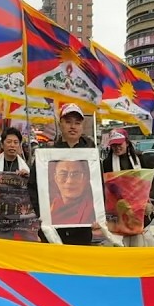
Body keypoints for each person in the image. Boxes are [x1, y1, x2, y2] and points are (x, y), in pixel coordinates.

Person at [37, 103, 97, 245]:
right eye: (68, 122)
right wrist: (42, 214)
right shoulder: (46, 156)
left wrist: (97, 215)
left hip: (81, 231)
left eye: (77, 123)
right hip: (52, 230)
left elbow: (98, 187)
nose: (73, 126)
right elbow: (34, 187)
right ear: (60, 124)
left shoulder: (91, 157)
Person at [101, 130, 153, 247]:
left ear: (127, 143)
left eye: (119, 144)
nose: (117, 147)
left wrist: (147, 201)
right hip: (117, 208)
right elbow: (107, 186)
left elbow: (146, 182)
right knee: (120, 244)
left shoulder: (139, 159)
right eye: (113, 145)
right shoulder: (107, 163)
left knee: (138, 244)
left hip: (139, 208)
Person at [47, 159, 96, 226]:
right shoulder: (50, 208)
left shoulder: (94, 209)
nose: (70, 181)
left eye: (76, 174)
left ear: (85, 178)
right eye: (63, 174)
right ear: (55, 178)